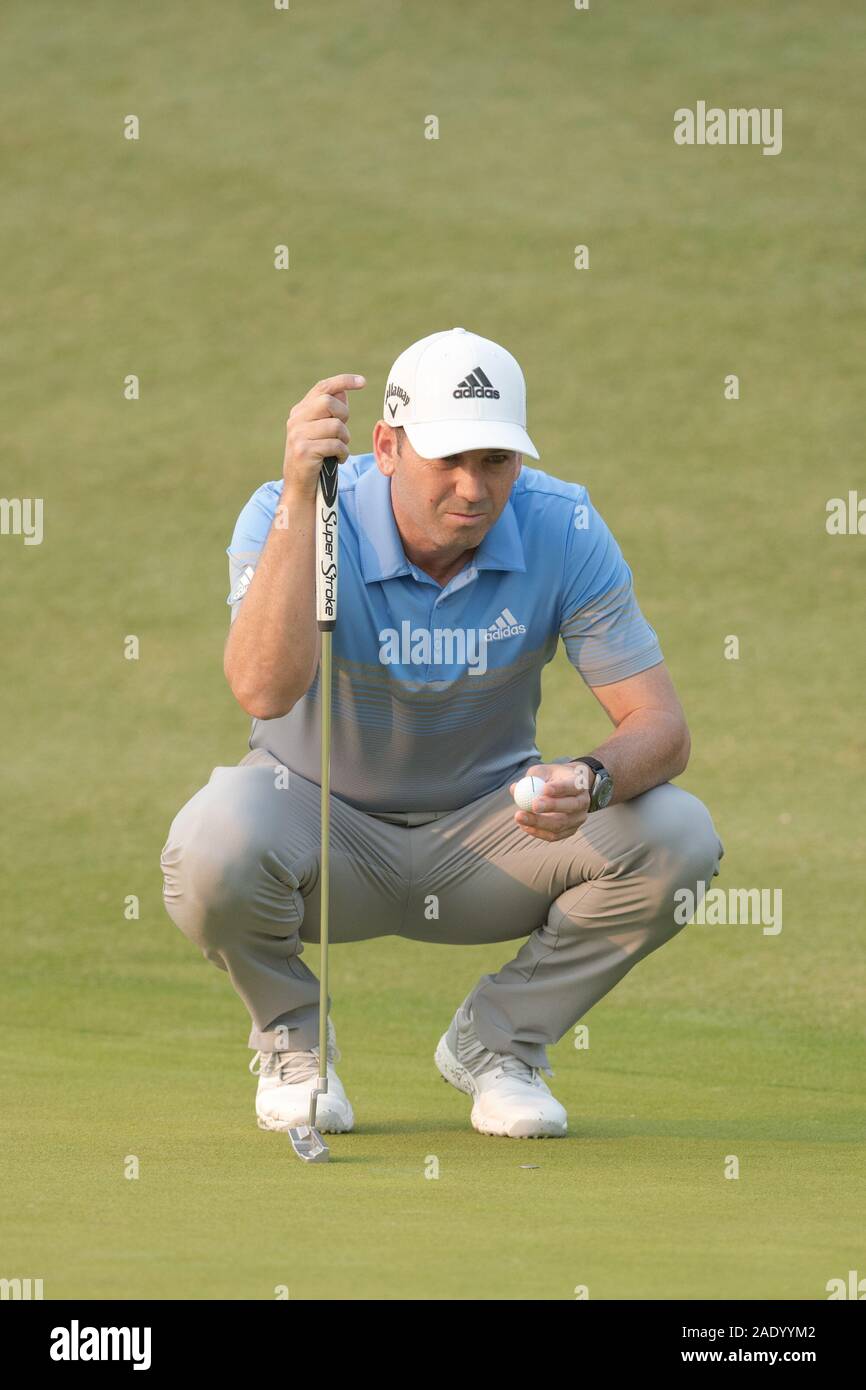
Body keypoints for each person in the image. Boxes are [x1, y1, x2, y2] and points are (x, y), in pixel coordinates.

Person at [160, 327, 724, 1140]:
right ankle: (293, 1043)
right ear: (386, 447)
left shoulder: (562, 527)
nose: (473, 487)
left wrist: (591, 778)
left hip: (493, 835)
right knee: (213, 836)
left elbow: (660, 728)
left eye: (495, 461)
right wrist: (295, 499)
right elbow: (262, 688)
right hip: (321, 832)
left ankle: (498, 1046)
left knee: (680, 833)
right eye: (447, 460)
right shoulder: (298, 514)